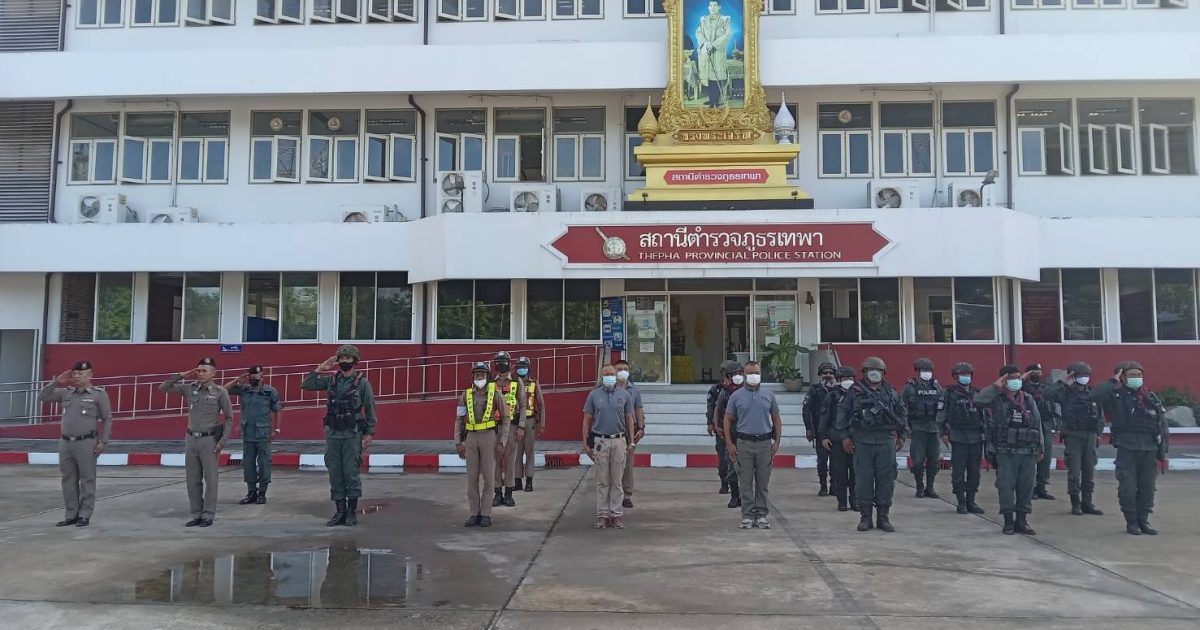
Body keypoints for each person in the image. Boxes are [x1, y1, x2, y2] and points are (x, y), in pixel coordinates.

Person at [1087, 361, 1169, 535]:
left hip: (1149, 449)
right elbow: (1093, 396)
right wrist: (1113, 381)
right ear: (1123, 377)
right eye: (1132, 375)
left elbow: (1161, 423)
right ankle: (1131, 522)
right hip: (1127, 449)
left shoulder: (1150, 396)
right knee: (1128, 488)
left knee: (1148, 488)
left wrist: (1163, 449)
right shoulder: (1115, 396)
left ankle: (1143, 521)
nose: (1136, 378)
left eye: (1139, 375)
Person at [302, 345, 377, 527]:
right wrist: (320, 369)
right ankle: (340, 511)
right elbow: (306, 385)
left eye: (348, 359)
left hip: (352, 434)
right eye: (341, 359)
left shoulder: (362, 383)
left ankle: (351, 512)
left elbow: (369, 408)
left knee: (351, 473)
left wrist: (369, 433)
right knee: (335, 472)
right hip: (333, 433)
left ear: (355, 361)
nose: (344, 362)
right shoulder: (331, 380)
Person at [159, 357, 234, 528]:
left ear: (213, 373)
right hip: (191, 439)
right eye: (198, 370)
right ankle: (196, 514)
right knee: (192, 479)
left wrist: (222, 442)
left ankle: (208, 514)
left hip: (209, 440)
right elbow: (164, 387)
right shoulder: (190, 388)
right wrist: (181, 375)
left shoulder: (220, 392)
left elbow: (229, 418)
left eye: (204, 370)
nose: (200, 373)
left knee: (211, 479)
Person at [837, 357, 907, 533]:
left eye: (878, 370)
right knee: (863, 480)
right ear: (864, 372)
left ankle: (883, 517)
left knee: (886, 480)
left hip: (886, 440)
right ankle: (865, 517)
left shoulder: (891, 392)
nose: (874, 373)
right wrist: (845, 437)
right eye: (870, 370)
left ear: (884, 372)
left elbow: (901, 413)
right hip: (862, 441)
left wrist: (902, 435)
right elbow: (842, 414)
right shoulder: (854, 391)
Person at [39, 361, 112, 527]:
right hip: (66, 443)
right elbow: (43, 397)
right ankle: (71, 514)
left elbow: (107, 419)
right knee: (68, 479)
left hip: (86, 442)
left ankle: (85, 515)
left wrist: (104, 441)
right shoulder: (66, 393)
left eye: (81, 373)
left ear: (90, 375)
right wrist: (56, 382)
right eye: (75, 374)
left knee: (87, 479)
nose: (77, 376)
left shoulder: (98, 394)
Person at [976, 365, 1044, 536]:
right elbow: (978, 400)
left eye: (1018, 378)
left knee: (1026, 488)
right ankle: (1008, 521)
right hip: (1006, 451)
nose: (1016, 381)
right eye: (1012, 378)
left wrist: (1040, 447)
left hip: (1027, 451)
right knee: (1006, 488)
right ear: (1004, 380)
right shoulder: (996, 398)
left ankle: (1022, 521)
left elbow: (1037, 423)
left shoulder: (1027, 398)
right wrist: (995, 386)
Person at [723, 361, 783, 530]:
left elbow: (776, 418)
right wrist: (729, 443)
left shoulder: (768, 395)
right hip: (744, 444)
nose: (753, 376)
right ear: (744, 375)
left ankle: (762, 515)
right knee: (745, 482)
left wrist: (777, 442)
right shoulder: (736, 396)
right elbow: (727, 419)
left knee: (763, 483)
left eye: (756, 372)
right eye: (750, 373)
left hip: (764, 443)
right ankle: (747, 515)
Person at [1043, 362, 1104, 516]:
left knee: (1089, 471)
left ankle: (1087, 502)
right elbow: (1047, 394)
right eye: (1081, 375)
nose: (1084, 378)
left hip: (1090, 435)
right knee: (1074, 472)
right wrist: (1064, 380)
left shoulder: (1093, 393)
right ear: (1073, 376)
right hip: (1073, 435)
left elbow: (1100, 416)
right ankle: (1075, 503)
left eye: (1087, 375)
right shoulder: (1065, 392)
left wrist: (1099, 434)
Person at [455, 362, 510, 528]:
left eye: (482, 375)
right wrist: (458, 442)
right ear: (473, 377)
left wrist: (502, 441)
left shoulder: (496, 394)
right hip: (471, 438)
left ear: (488, 377)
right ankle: (474, 513)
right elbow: (459, 420)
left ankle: (486, 513)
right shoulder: (465, 395)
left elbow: (506, 418)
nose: (479, 378)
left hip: (489, 437)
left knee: (488, 478)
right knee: (471, 479)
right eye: (477, 375)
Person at [583, 364, 636, 529]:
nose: (609, 377)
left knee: (617, 480)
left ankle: (616, 514)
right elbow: (587, 419)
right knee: (602, 481)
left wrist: (631, 440)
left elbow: (629, 418)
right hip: (601, 441)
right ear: (601, 376)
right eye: (606, 374)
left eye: (612, 374)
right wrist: (585, 442)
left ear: (616, 376)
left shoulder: (624, 395)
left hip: (619, 440)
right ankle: (602, 515)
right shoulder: (594, 395)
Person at [225, 365, 282, 505]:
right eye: (251, 377)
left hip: (264, 434)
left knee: (264, 464)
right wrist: (237, 380)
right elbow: (223, 390)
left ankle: (262, 493)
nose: (253, 379)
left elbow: (277, 410)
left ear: (262, 377)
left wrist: (277, 430)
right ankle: (251, 492)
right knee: (248, 464)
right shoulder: (244, 389)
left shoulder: (270, 391)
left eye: (256, 377)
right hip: (248, 434)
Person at [938, 362, 985, 515]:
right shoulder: (949, 393)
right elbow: (941, 414)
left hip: (976, 437)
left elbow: (985, 414)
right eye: (962, 374)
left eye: (968, 374)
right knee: (958, 471)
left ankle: (971, 501)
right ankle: (961, 501)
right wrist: (943, 432)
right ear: (955, 376)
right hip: (958, 436)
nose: (966, 376)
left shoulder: (978, 393)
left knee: (974, 472)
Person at [490, 352, 526, 508]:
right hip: (494, 427)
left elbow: (523, 405)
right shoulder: (490, 382)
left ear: (509, 364)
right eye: (498, 361)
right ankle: (497, 493)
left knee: (510, 461)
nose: (501, 364)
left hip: (512, 426)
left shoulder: (517, 381)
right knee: (495, 461)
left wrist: (521, 426)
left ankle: (509, 494)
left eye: (504, 361)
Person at [819, 366, 857, 512]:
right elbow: (824, 418)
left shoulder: (859, 394)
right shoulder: (832, 396)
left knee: (856, 473)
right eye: (845, 379)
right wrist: (823, 437)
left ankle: (855, 501)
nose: (848, 381)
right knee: (839, 472)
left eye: (850, 378)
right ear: (839, 380)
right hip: (836, 440)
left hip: (856, 440)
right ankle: (842, 501)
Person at [904, 358, 942, 499]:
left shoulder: (936, 386)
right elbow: (902, 407)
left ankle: (930, 487)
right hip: (918, 428)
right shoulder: (910, 387)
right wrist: (906, 427)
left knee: (934, 461)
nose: (927, 373)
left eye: (929, 370)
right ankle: (919, 486)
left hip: (934, 428)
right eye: (924, 370)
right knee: (918, 461)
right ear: (918, 371)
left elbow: (942, 406)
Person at [708, 360, 743, 508]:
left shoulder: (746, 390)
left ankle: (740, 495)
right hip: (725, 432)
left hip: (743, 433)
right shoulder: (721, 390)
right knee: (726, 463)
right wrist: (714, 425)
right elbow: (715, 408)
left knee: (741, 467)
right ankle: (728, 486)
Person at [1022, 363, 1056, 501]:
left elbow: (1053, 403)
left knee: (1045, 456)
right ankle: (1029, 488)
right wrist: (1023, 378)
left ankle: (1041, 486)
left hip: (1046, 423)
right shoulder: (1022, 386)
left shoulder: (1046, 387)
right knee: (1030, 456)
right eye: (1034, 372)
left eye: (1039, 372)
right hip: (1029, 424)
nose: (1038, 374)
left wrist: (1056, 422)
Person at [802, 362, 837, 497]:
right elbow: (806, 409)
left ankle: (834, 486)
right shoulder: (814, 389)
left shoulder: (838, 390)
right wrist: (808, 428)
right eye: (825, 373)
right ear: (820, 375)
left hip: (836, 431)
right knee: (822, 461)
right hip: (820, 431)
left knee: (836, 462)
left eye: (831, 373)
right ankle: (823, 486)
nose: (828, 375)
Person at [513, 356, 545, 493]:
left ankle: (529, 482)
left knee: (529, 452)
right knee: (517, 452)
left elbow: (541, 405)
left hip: (530, 421)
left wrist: (542, 423)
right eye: (519, 367)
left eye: (524, 367)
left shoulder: (534, 384)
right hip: (516, 422)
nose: (521, 369)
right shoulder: (513, 384)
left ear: (528, 369)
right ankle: (517, 481)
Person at [615, 359, 645, 509]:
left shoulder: (634, 390)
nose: (622, 371)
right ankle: (614, 494)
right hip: (612, 431)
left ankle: (626, 495)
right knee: (613, 466)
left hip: (630, 432)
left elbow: (638, 409)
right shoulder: (608, 389)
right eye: (619, 369)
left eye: (625, 369)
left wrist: (641, 427)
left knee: (628, 465)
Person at [695, 0, 731, 108]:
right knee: (709, 76)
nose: (712, 8)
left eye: (715, 5)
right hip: (706, 51)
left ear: (719, 7)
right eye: (710, 6)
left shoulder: (725, 19)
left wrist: (713, 45)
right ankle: (712, 100)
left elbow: (727, 35)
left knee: (717, 76)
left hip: (718, 52)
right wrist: (705, 43)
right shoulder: (703, 19)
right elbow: (698, 32)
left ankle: (716, 101)